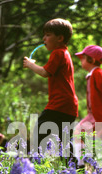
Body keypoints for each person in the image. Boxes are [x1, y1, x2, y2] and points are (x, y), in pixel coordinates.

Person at [23, 18, 78, 155]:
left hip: (59, 104)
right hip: (69, 105)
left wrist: (30, 65)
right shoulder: (65, 53)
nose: (44, 38)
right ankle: (76, 170)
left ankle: (31, 165)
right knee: (63, 141)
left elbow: (45, 72)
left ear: (60, 38)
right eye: (44, 34)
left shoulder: (58, 53)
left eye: (48, 35)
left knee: (39, 132)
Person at [73, 45, 102, 167]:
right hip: (93, 115)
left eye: (82, 58)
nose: (81, 61)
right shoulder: (92, 75)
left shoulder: (98, 73)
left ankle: (81, 164)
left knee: (82, 132)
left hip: (100, 116)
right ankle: (83, 163)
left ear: (91, 60)